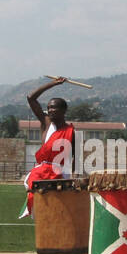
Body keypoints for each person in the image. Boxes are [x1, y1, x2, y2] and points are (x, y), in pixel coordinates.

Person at [21, 77, 76, 218]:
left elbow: (74, 157)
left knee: (58, 210)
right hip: (43, 173)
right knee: (42, 209)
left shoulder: (70, 131)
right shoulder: (46, 123)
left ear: (63, 110)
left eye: (54, 107)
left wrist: (73, 177)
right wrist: (54, 83)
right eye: (48, 108)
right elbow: (31, 98)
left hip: (61, 174)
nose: (50, 110)